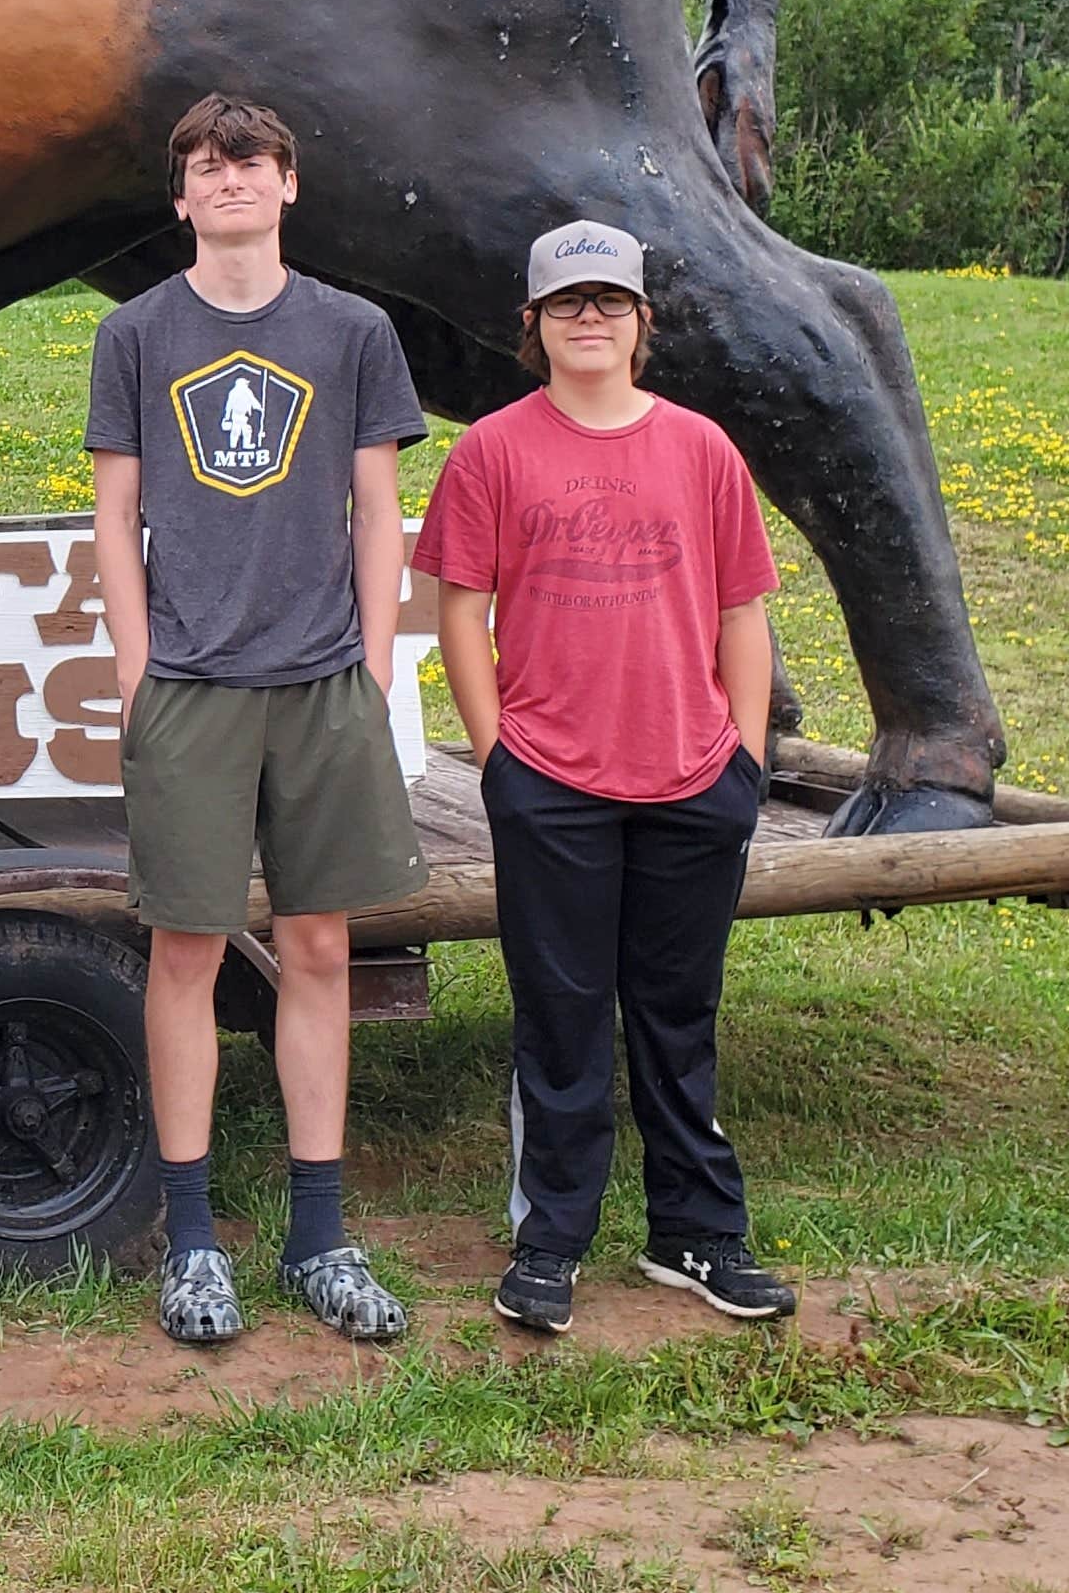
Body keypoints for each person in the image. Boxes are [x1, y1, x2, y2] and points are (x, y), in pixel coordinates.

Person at [87, 93, 428, 1349]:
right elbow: (115, 517)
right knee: (186, 951)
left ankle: (318, 1237)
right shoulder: (137, 333)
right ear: (180, 196)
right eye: (205, 162)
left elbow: (380, 508)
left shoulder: (352, 331)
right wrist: (137, 669)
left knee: (325, 949)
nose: (228, 176)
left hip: (326, 677)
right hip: (190, 685)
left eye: (252, 159)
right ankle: (191, 1246)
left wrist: (378, 668)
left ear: (290, 184)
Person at [418, 220, 792, 1337]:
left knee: (679, 1014)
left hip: (691, 776)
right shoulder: (493, 450)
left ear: (642, 322)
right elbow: (459, 612)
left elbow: (744, 613)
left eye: (612, 301)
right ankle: (552, 1241)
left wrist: (746, 761)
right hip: (553, 781)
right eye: (569, 303)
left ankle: (697, 1235)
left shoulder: (701, 450)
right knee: (562, 1018)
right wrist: (499, 761)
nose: (592, 318)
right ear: (532, 325)